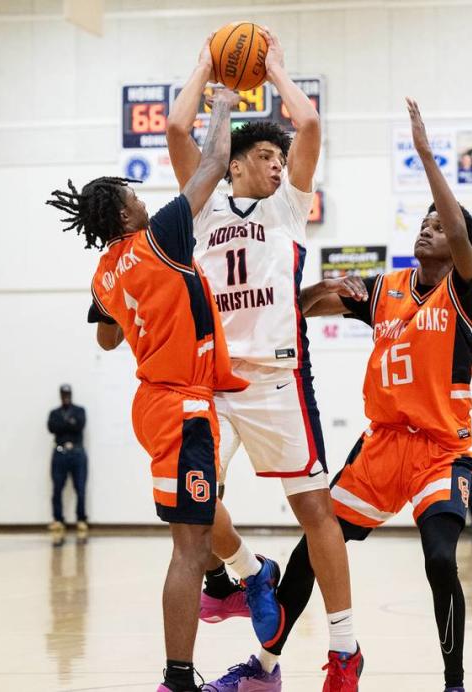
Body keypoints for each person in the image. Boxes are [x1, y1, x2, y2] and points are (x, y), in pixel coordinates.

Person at [45, 88, 281, 692]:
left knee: (196, 522)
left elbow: (106, 340)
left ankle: (246, 574)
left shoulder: (103, 271)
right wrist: (223, 104)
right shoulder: (162, 237)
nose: (145, 201)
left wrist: (146, 308)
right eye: (135, 198)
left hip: (151, 405)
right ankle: (179, 678)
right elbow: (211, 163)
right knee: (187, 548)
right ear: (125, 216)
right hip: (185, 405)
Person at [268, 98, 472, 692]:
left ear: (460, 244)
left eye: (439, 224)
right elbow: (303, 312)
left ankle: (454, 683)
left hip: (443, 450)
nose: (427, 225)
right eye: (423, 219)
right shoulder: (388, 288)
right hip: (382, 447)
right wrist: (309, 289)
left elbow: (461, 237)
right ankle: (265, 666)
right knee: (310, 551)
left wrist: (425, 155)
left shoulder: (469, 294)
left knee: (440, 560)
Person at [166, 29, 358, 691]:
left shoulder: (287, 206)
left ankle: (344, 650)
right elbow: (173, 126)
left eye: (283, 157)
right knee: (189, 506)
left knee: (316, 511)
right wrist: (203, 65)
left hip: (278, 377)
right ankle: (251, 573)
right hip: (213, 382)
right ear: (238, 162)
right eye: (268, 156)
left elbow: (308, 121)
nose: (280, 164)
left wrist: (273, 64)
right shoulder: (203, 202)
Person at [47, 384, 88, 542]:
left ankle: (81, 519)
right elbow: (52, 427)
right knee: (57, 487)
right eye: (63, 394)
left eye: (68, 393)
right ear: (60, 395)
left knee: (80, 487)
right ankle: (58, 519)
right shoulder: (54, 413)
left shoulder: (79, 411)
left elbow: (80, 425)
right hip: (59, 454)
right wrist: (69, 423)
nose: (66, 396)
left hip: (77, 453)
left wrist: (64, 426)